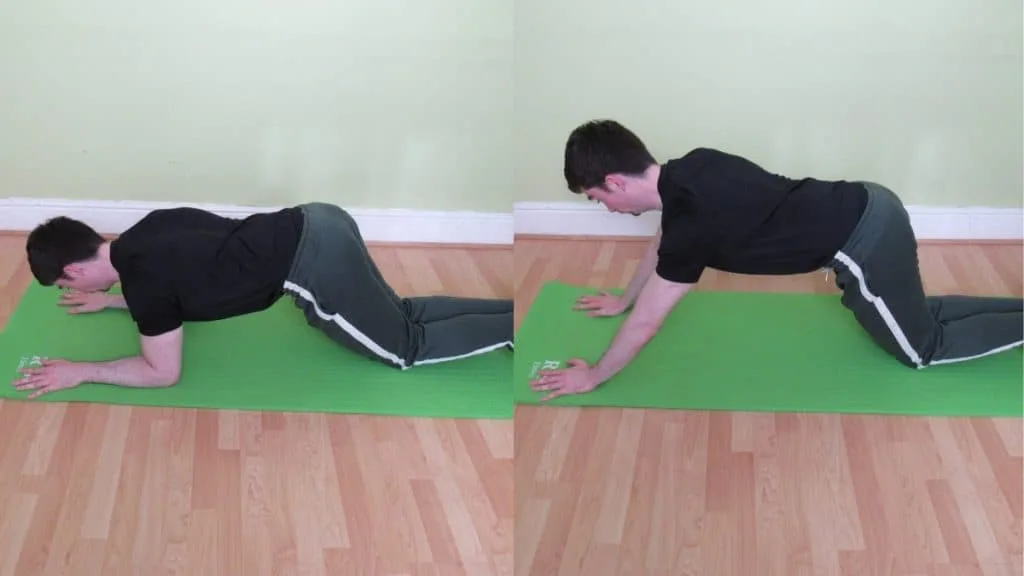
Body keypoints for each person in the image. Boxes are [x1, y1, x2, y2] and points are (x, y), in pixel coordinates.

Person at [530, 119, 1023, 401]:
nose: (606, 209)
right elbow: (664, 244)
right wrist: (623, 300)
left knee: (922, 350)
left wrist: (592, 375)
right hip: (870, 201)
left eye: (598, 198)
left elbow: (649, 326)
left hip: (865, 242)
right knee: (919, 313)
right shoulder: (689, 169)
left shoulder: (692, 224)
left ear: (615, 182)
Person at [14, 202, 513, 399]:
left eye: (65, 284)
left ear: (74, 271)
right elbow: (172, 288)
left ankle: (513, 331)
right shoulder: (146, 230)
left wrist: (81, 370)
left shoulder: (146, 287)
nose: (71, 291)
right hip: (320, 219)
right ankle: (513, 313)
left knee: (403, 348)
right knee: (400, 313)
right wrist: (114, 303)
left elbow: (162, 373)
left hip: (314, 265)